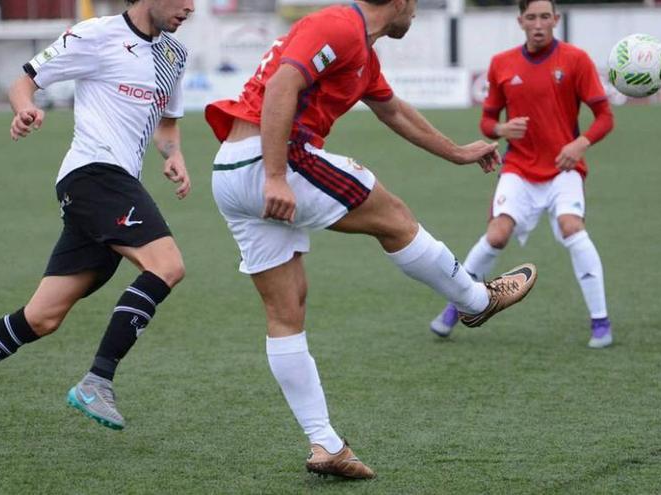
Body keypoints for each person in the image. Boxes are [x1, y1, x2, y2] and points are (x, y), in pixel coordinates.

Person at [205, 0, 538, 479]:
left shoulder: (362, 50)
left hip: (232, 172)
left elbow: (394, 111)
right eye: (416, 4)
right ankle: (475, 299)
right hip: (273, 160)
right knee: (395, 217)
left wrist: (459, 153)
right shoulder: (339, 24)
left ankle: (326, 445)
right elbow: (282, 84)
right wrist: (276, 176)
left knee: (286, 310)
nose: (417, 12)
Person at [0, 0, 194, 449]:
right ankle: (98, 380)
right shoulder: (95, 34)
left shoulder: (174, 54)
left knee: (43, 317)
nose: (191, 7)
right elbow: (26, 82)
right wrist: (24, 108)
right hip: (93, 175)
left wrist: (173, 157)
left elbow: (167, 124)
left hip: (113, 187)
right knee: (167, 264)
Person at [429, 0, 614, 348]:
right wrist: (501, 129)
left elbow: (605, 116)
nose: (539, 23)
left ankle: (600, 321)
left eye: (546, 16)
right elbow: (486, 121)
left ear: (556, 20)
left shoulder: (576, 60)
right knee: (497, 235)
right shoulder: (502, 64)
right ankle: (456, 307)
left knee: (572, 227)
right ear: (521, 21)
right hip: (518, 168)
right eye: (532, 17)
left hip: (563, 167)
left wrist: (580, 144)